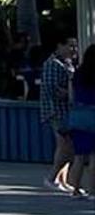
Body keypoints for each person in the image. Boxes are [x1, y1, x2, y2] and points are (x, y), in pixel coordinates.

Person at [39, 38, 77, 193]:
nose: (74, 49)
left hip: (66, 111)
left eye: (75, 46)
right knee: (65, 146)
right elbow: (50, 89)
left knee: (64, 146)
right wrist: (69, 94)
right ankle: (52, 177)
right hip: (57, 110)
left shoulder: (67, 63)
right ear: (59, 45)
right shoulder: (53, 64)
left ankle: (62, 179)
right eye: (70, 45)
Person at [63, 45, 94, 198]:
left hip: (78, 114)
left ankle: (75, 189)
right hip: (93, 113)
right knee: (94, 156)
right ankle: (93, 190)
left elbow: (70, 95)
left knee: (79, 155)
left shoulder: (78, 74)